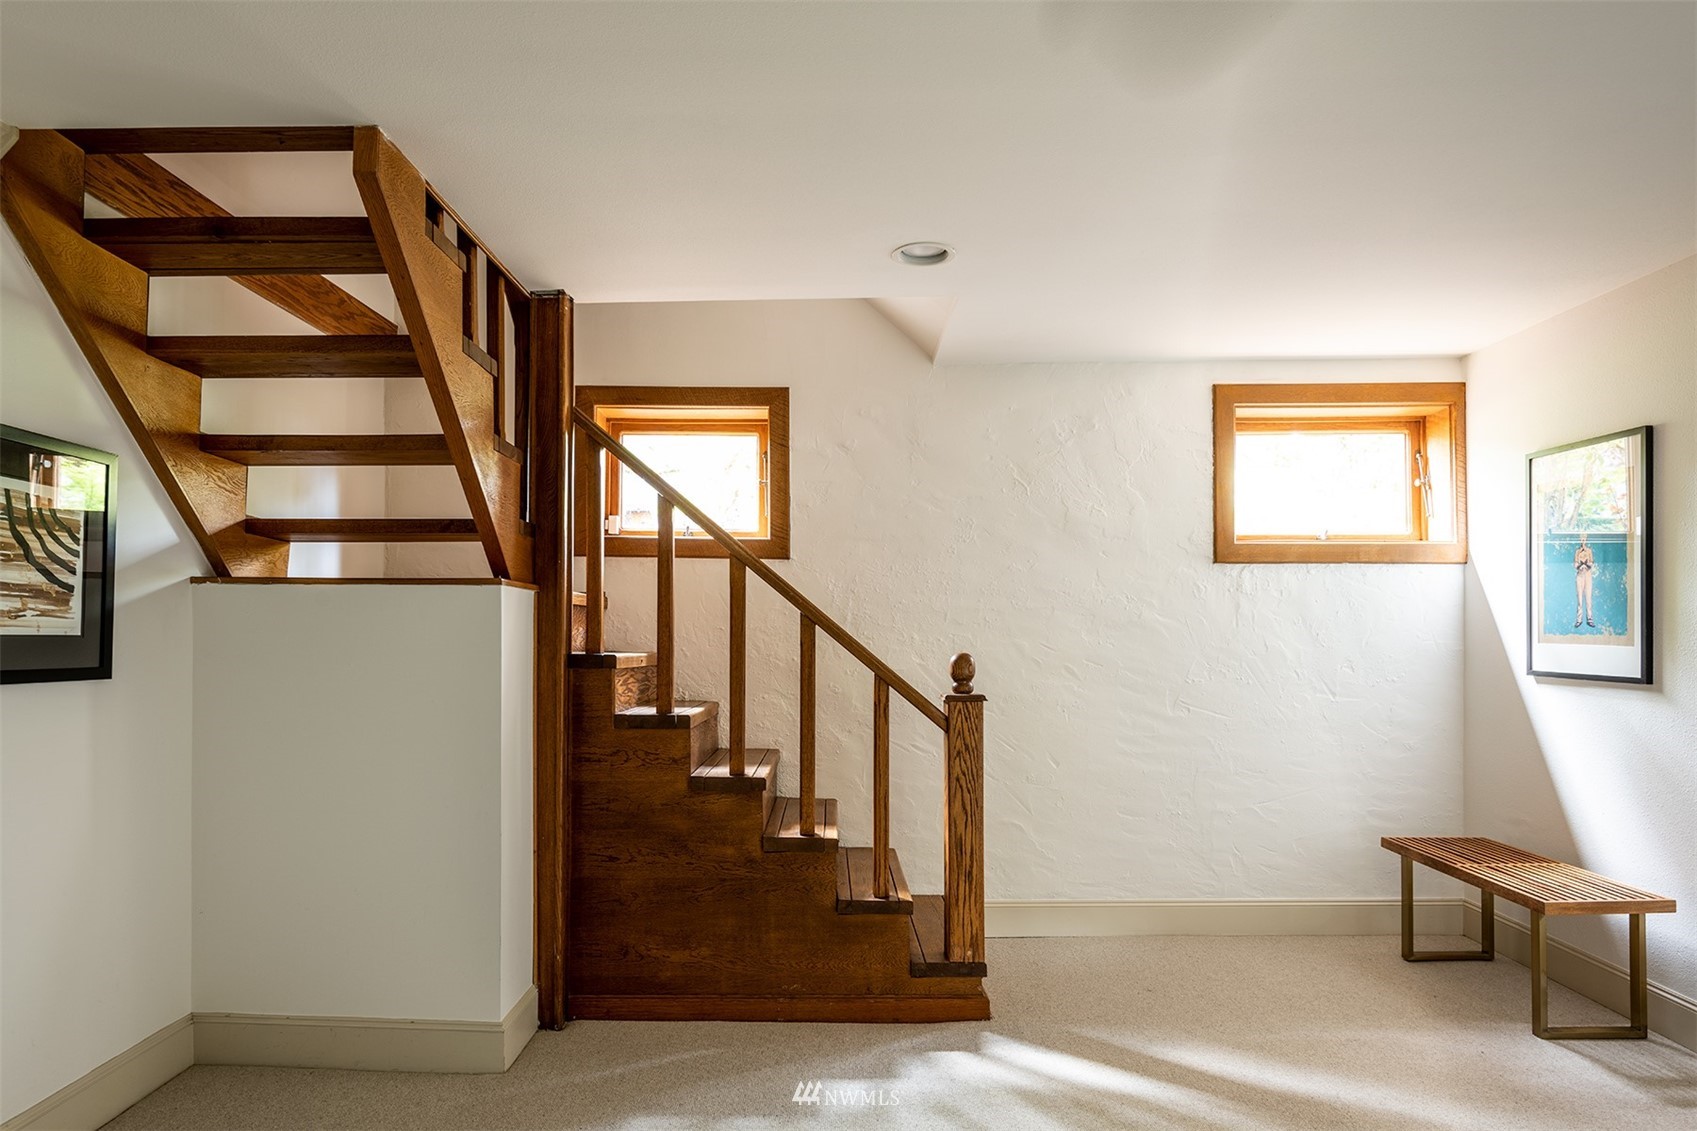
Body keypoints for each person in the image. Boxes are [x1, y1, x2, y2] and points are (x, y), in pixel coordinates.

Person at [1573, 533, 1596, 629]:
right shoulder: (1577, 551)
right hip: (1580, 575)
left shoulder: (1589, 551)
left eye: (1584, 538)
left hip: (1588, 575)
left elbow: (1591, 563)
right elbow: (1575, 564)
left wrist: (1586, 565)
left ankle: (1589, 619)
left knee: (1588, 597)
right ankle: (1579, 619)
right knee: (1579, 598)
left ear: (1586, 539)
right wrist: (1580, 566)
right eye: (1581, 538)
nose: (1583, 540)